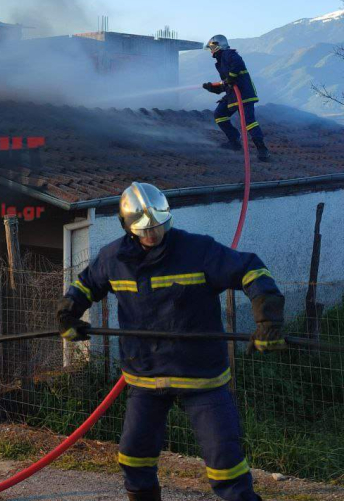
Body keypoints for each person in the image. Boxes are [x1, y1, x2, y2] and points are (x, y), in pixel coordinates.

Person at [57, 182, 286, 501]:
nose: (152, 234)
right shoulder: (114, 258)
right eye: (144, 229)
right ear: (127, 227)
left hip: (200, 377)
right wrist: (69, 314)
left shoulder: (198, 251)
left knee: (226, 467)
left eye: (159, 226)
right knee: (133, 457)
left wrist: (268, 319)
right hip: (145, 377)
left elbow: (251, 270)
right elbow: (85, 286)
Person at [201, 34, 271, 162]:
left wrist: (231, 77)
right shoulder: (220, 62)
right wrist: (212, 88)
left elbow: (237, 65)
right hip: (232, 95)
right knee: (220, 115)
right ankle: (234, 142)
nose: (210, 51)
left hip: (244, 94)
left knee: (249, 122)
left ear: (217, 46)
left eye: (211, 47)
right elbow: (226, 84)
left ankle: (262, 149)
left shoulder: (228, 54)